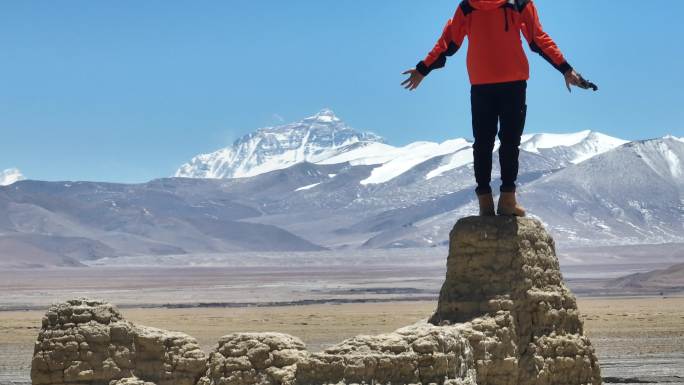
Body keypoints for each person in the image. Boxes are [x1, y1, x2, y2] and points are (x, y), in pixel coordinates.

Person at [402, 0, 590, 217]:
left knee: (483, 143)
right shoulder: (517, 3)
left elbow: (448, 42)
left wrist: (423, 68)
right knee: (509, 142)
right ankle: (507, 200)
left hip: (482, 84)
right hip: (513, 83)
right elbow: (538, 39)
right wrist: (565, 68)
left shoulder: (469, 6)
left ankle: (486, 204)